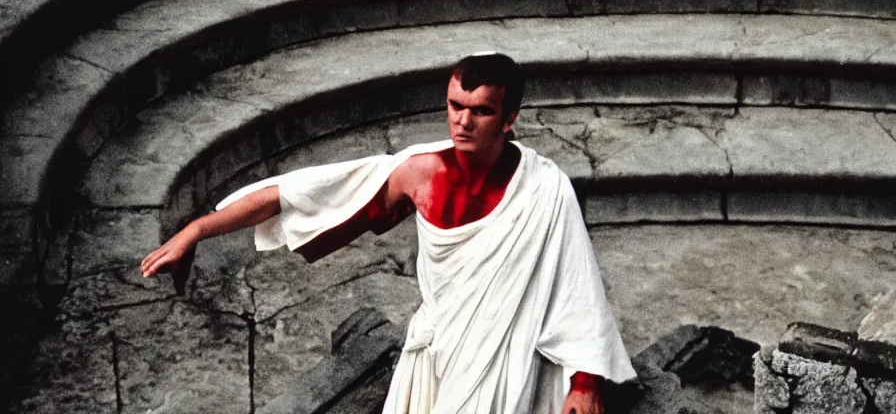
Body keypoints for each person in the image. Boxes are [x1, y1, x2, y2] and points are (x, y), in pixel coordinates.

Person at [141, 52, 637, 413]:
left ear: (509, 119)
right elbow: (299, 193)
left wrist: (586, 382)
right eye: (454, 105)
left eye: (480, 111)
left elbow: (578, 294)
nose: (462, 122)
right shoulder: (418, 173)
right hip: (436, 349)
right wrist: (196, 230)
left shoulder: (546, 189)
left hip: (508, 355)